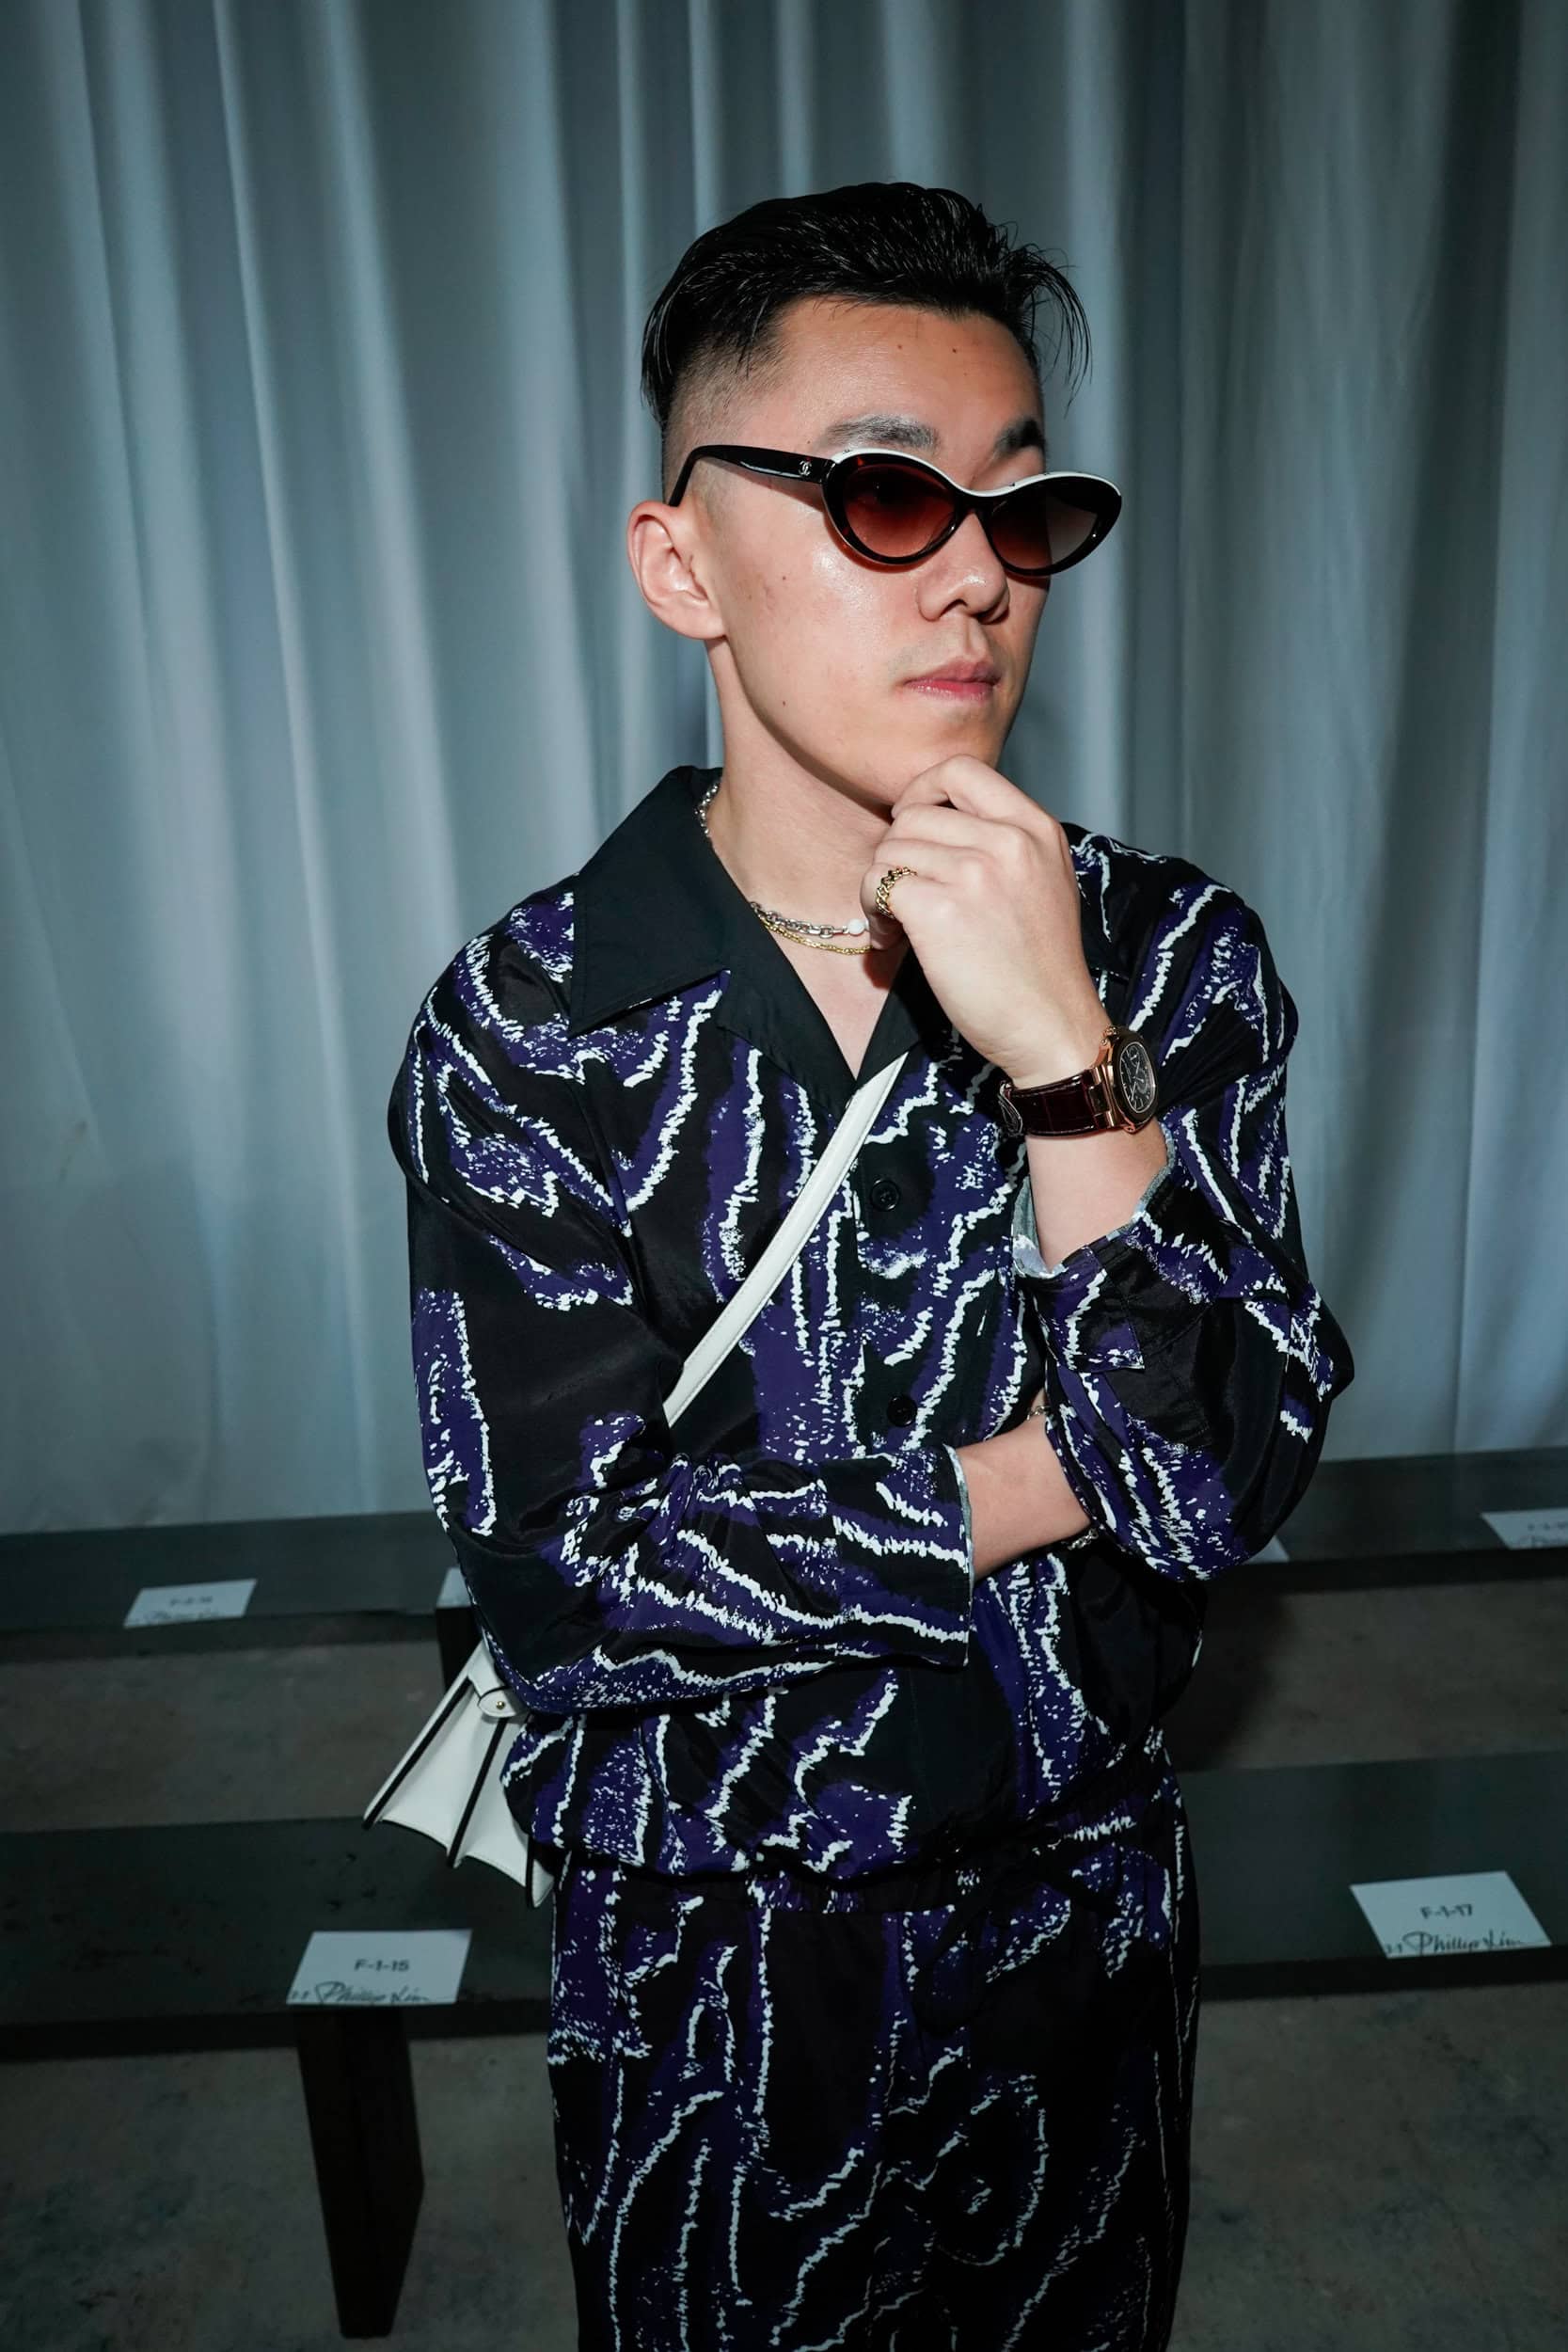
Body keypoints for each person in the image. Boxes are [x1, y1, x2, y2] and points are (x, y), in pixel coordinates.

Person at [388, 181, 1355, 2351]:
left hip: (1080, 1921)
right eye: (886, 497)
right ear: (681, 564)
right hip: (705, 1966)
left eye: (1027, 509)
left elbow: (1223, 1479)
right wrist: (1039, 1472)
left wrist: (1069, 1063)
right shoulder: (533, 1020)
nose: (981, 575)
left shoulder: (1165, 956)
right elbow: (568, 1584)